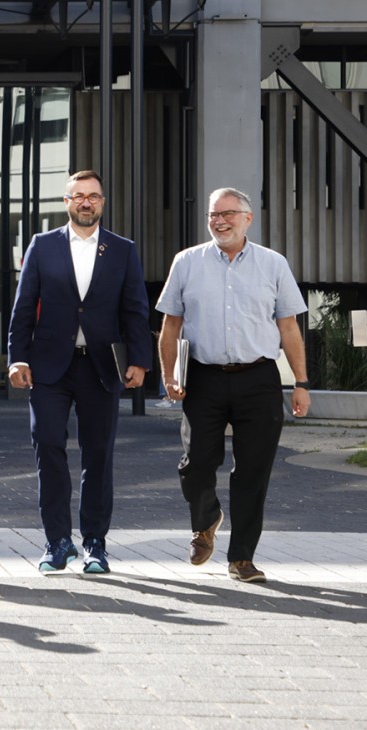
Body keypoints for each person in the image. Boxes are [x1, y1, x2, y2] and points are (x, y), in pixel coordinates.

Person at [156, 187, 310, 584]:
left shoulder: (273, 264)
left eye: (227, 213)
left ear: (247, 218)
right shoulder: (186, 262)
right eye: (212, 215)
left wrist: (302, 383)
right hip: (203, 378)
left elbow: (289, 327)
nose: (219, 221)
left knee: (253, 471)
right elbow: (170, 325)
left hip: (259, 378)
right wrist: (169, 375)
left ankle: (241, 557)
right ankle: (205, 520)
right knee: (196, 465)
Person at [7, 170, 152, 575]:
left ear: (102, 203)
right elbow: (22, 308)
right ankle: (57, 541)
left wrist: (139, 360)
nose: (86, 202)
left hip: (102, 367)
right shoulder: (42, 246)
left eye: (93, 196)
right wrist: (16, 357)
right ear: (66, 201)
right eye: (78, 196)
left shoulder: (122, 250)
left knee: (98, 456)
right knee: (48, 447)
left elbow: (135, 310)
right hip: (49, 367)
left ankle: (94, 544)